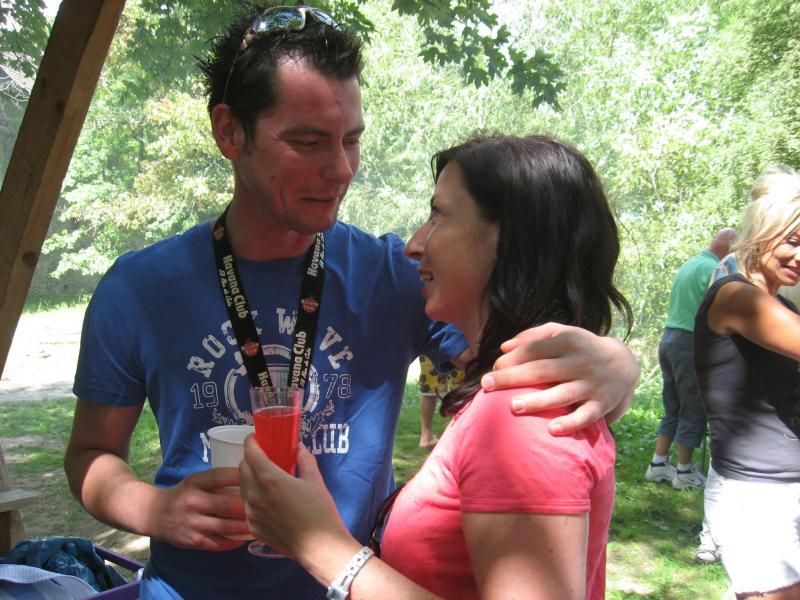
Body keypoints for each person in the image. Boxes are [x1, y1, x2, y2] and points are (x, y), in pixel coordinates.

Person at [63, 6, 639, 599]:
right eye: (307, 142)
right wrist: (154, 510)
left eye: (352, 140)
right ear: (229, 132)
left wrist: (618, 364)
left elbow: (519, 375)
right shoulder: (139, 289)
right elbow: (90, 453)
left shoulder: (397, 276)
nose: (340, 169)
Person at [239, 133, 632, 599]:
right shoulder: (520, 398)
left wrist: (321, 548)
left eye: (439, 214)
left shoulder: (521, 417)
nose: (414, 245)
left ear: (508, 241)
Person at [694, 164, 800, 599]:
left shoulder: (779, 303)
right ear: (762, 232)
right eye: (792, 241)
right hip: (758, 496)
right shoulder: (737, 297)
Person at [645, 227, 736, 489]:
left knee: (673, 405)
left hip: (669, 338)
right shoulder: (715, 270)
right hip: (690, 342)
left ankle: (658, 464)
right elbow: (723, 310)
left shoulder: (691, 264)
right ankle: (684, 472)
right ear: (730, 249)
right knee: (693, 406)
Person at [416, 355, 463, 449]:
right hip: (459, 348)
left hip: (430, 347)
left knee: (429, 387)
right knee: (461, 385)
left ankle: (426, 436)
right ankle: (457, 436)